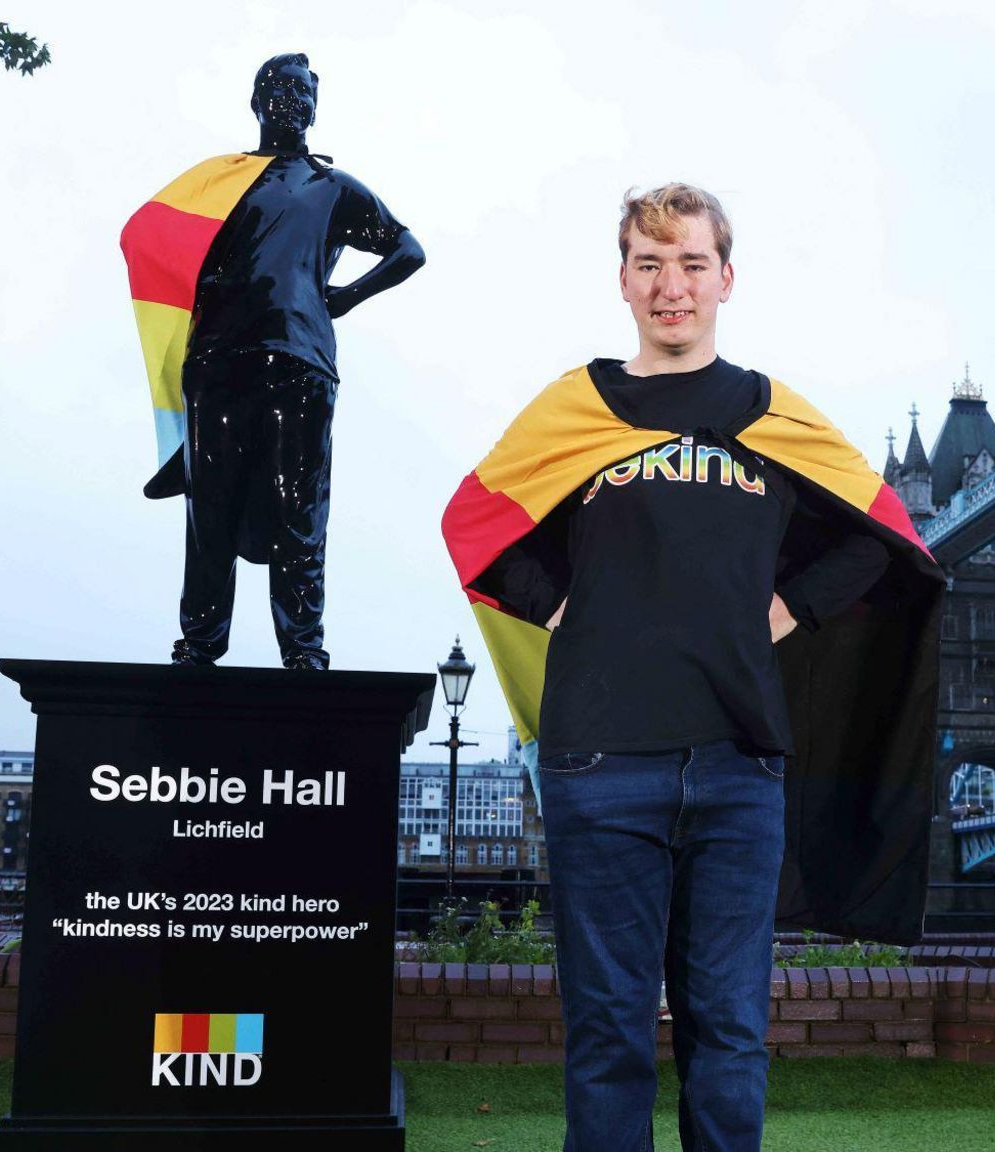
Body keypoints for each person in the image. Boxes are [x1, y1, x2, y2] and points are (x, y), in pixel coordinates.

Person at [442, 184, 945, 1151]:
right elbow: (476, 521)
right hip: (600, 764)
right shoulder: (577, 407)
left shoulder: (772, 414)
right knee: (608, 1031)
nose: (671, 286)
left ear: (726, 278)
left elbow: (881, 535)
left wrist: (789, 609)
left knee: (730, 1033)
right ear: (623, 282)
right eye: (649, 264)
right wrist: (566, 611)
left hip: (739, 763)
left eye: (691, 264)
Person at [119, 52, 424, 670]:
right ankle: (200, 644)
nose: (295, 101)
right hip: (218, 360)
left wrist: (344, 297)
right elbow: (149, 236)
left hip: (301, 360)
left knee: (299, 508)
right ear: (257, 103)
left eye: (305, 92)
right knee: (211, 508)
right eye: (283, 90)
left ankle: (303, 649)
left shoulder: (331, 187)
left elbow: (407, 249)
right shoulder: (218, 184)